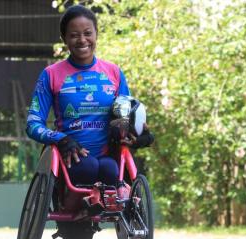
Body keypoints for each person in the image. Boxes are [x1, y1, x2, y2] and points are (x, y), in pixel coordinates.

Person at [26, 5, 152, 187]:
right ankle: (78, 211)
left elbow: (127, 117)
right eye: (74, 35)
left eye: (87, 33)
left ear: (96, 35)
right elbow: (32, 125)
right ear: (64, 39)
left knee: (110, 169)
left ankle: (99, 207)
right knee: (88, 167)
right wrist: (61, 139)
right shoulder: (50, 75)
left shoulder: (114, 73)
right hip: (68, 158)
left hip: (107, 157)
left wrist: (142, 135)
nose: (82, 40)